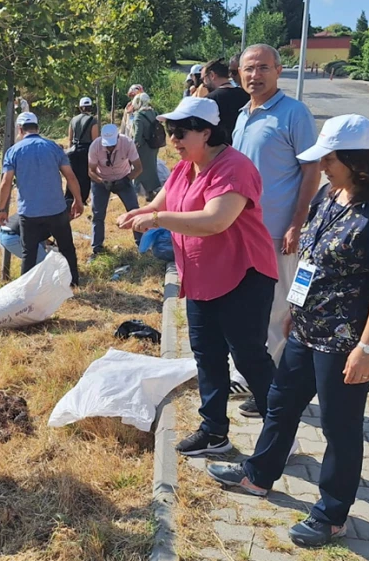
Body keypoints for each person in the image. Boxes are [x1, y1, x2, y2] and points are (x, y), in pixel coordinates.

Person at [208, 115, 369, 548]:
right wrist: (293, 308)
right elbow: (311, 257)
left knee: (340, 427)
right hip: (306, 329)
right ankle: (258, 475)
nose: (322, 166)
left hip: (345, 342)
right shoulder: (328, 195)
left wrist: (368, 348)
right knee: (280, 404)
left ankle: (332, 515)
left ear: (356, 160)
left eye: (329, 158)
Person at [118, 97, 279, 457]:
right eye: (169, 132)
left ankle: (281, 430)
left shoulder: (234, 169)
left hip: (243, 276)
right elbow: (161, 203)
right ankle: (214, 431)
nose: (172, 140)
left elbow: (215, 220)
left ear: (206, 132)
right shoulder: (183, 168)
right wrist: (138, 214)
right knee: (207, 355)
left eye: (180, 132)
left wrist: (157, 221)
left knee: (249, 356)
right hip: (203, 277)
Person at [232, 44, 320, 417]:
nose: (255, 75)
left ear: (279, 70)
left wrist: (297, 223)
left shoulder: (294, 113)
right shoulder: (241, 114)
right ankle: (257, 378)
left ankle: (277, 390)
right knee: (249, 309)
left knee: (278, 308)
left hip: (276, 230)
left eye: (263, 68)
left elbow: (311, 172)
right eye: (249, 69)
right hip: (240, 231)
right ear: (239, 74)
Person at [0, 112, 84, 286]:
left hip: (29, 212)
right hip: (56, 209)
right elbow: (71, 177)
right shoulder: (53, 147)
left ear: (20, 129)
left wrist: (2, 210)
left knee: (29, 253)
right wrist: (78, 200)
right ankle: (73, 283)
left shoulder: (13, 151)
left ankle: (28, 290)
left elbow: (6, 182)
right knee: (66, 247)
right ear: (37, 128)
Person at [88, 124, 142, 257]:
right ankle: (97, 248)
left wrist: (126, 179)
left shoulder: (127, 143)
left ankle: (141, 243)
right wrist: (101, 181)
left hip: (123, 178)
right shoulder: (95, 146)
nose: (109, 147)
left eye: (112, 144)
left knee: (134, 210)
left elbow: (139, 168)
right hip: (102, 180)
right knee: (97, 214)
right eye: (107, 145)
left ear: (118, 137)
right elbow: (91, 171)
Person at [65, 96, 101, 207]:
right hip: (87, 150)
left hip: (74, 150)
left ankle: (69, 197)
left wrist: (69, 150)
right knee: (86, 176)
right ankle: (83, 198)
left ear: (80, 108)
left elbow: (70, 138)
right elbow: (95, 139)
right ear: (90, 107)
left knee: (73, 174)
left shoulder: (73, 120)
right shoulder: (93, 120)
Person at [131, 93, 163, 202]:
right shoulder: (153, 112)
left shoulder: (139, 115)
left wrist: (133, 146)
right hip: (154, 145)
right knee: (151, 169)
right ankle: (151, 193)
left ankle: (132, 194)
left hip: (143, 147)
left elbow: (137, 134)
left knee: (138, 170)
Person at [202, 58, 249, 131]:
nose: (203, 84)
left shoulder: (209, 100)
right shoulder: (247, 95)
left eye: (203, 79)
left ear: (212, 75)